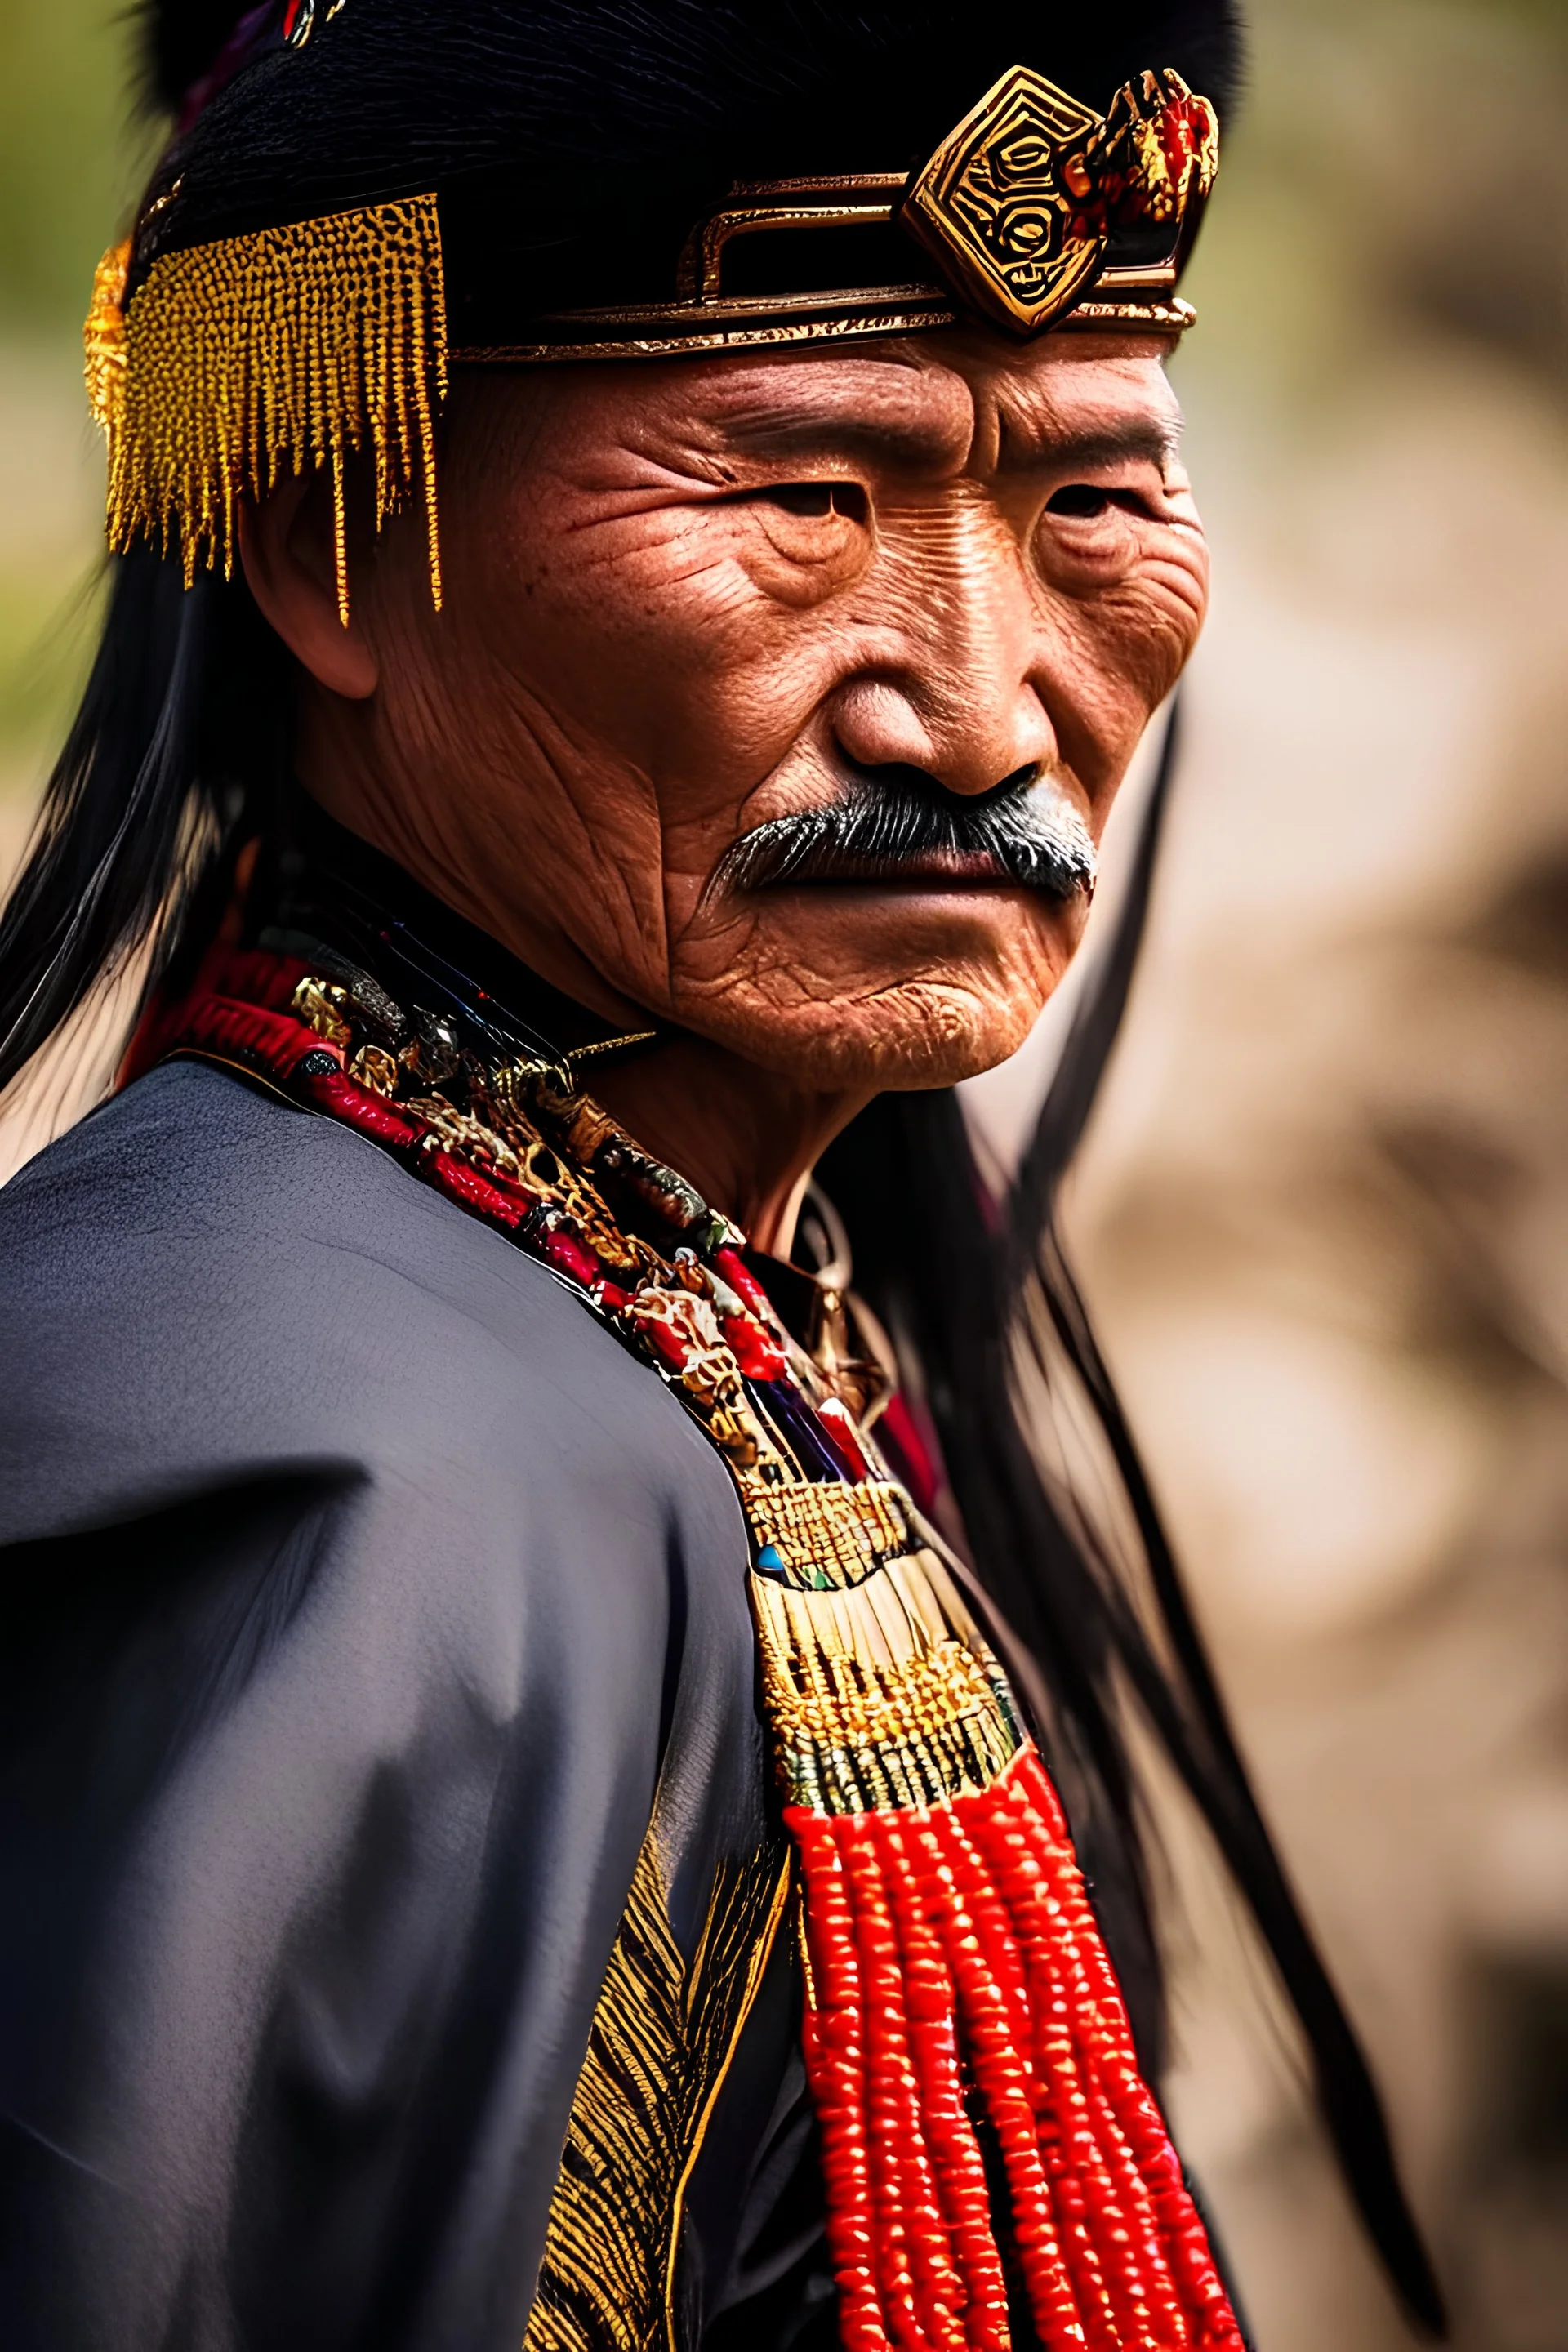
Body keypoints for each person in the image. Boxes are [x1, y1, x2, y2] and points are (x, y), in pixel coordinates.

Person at [0, 2, 1443, 2345]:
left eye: (1094, 500)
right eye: (807, 500)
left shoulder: (711, 1324)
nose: (980, 717)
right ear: (318, 532)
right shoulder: (302, 1486)